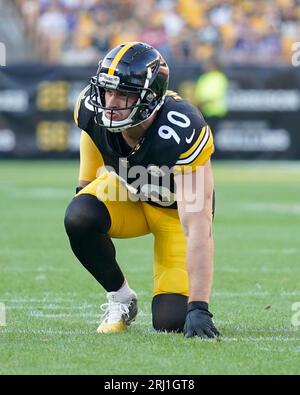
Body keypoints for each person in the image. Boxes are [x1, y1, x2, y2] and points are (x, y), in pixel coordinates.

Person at [64, 41, 220, 339]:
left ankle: (185, 305)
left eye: (123, 93)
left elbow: (198, 226)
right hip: (127, 193)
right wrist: (84, 188)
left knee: (171, 321)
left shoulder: (183, 129)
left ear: (151, 97)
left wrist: (199, 307)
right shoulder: (90, 106)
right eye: (108, 90)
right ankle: (121, 299)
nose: (110, 101)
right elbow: (91, 133)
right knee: (79, 216)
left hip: (175, 215)